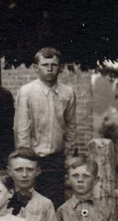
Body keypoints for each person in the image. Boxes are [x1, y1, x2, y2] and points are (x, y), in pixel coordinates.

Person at [13, 47, 81, 202]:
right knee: (31, 201)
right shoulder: (27, 92)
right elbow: (22, 128)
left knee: (55, 201)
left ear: (61, 67)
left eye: (54, 65)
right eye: (45, 65)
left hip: (57, 158)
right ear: (37, 67)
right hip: (33, 157)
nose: (49, 69)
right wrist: (25, 158)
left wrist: (69, 154)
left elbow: (71, 126)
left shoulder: (68, 93)